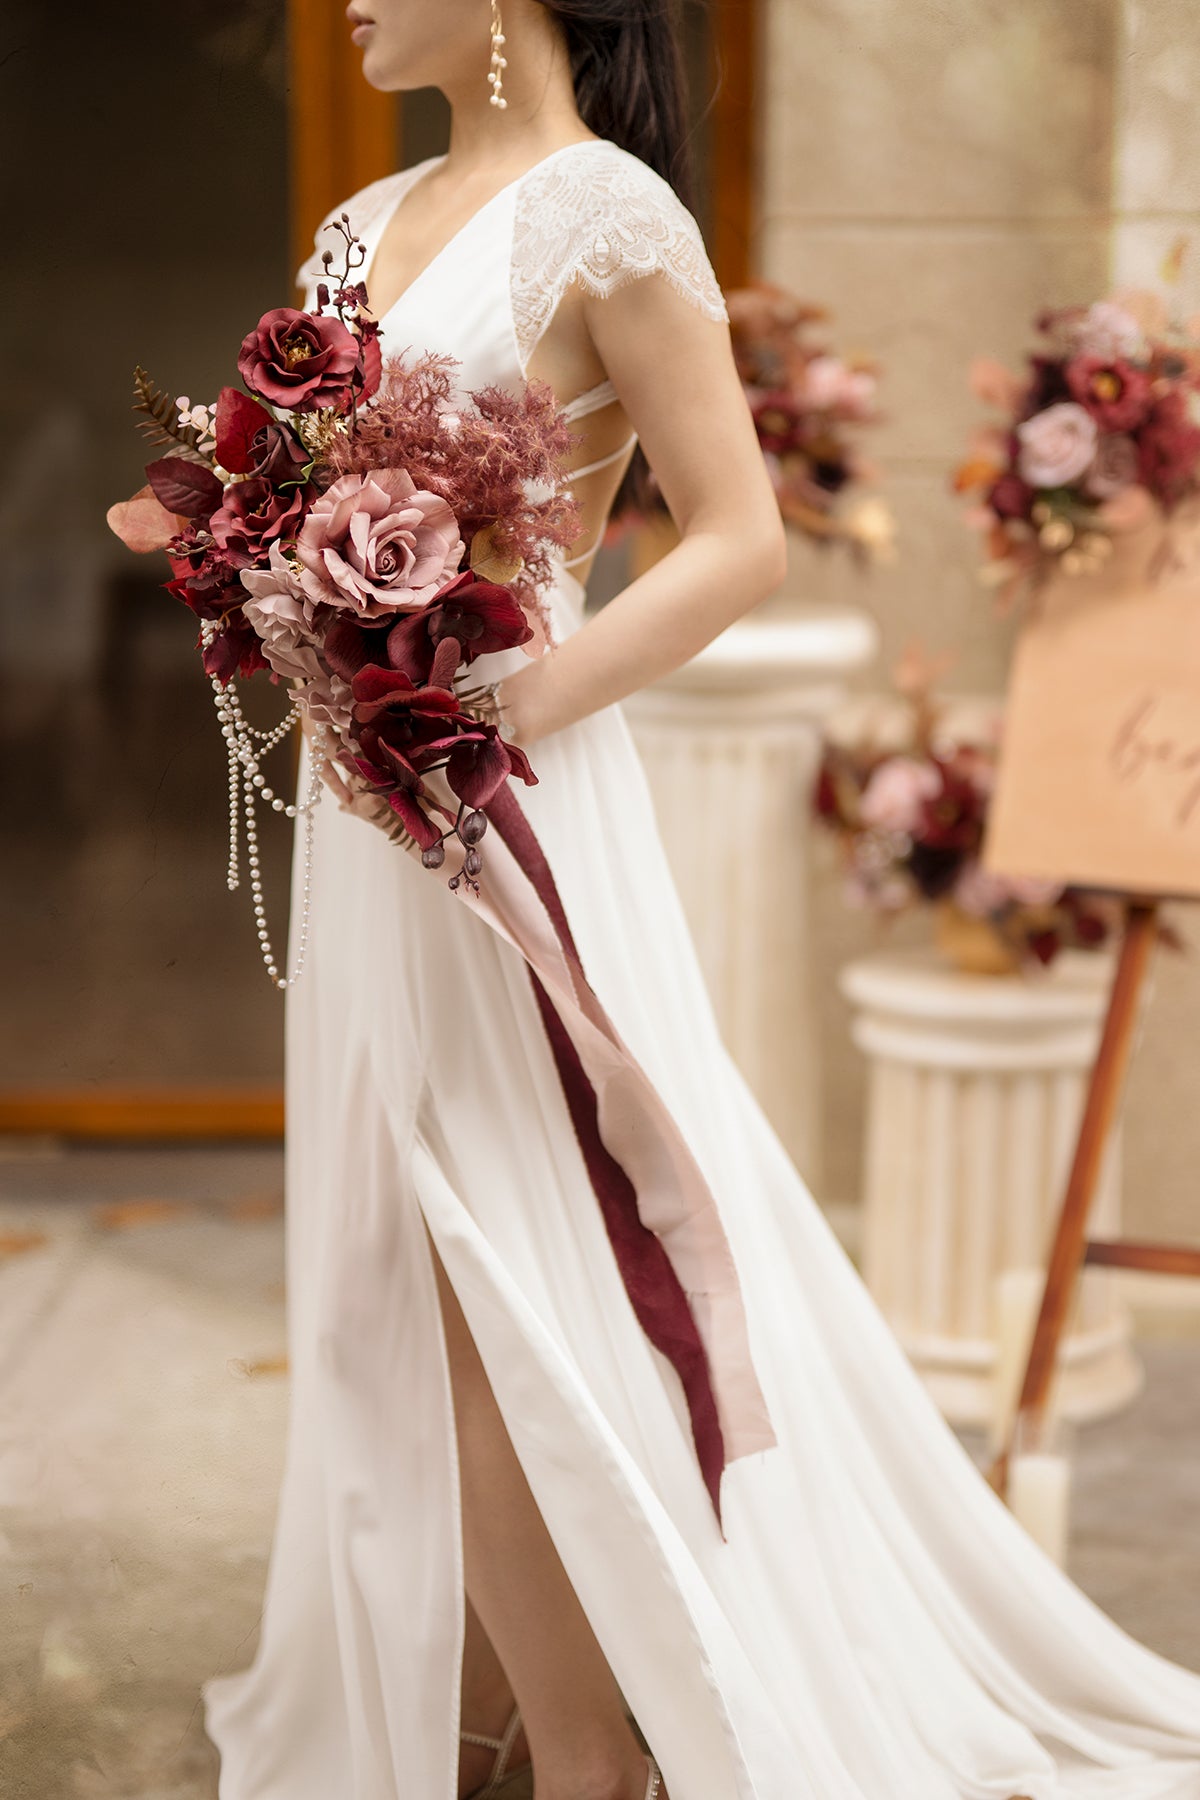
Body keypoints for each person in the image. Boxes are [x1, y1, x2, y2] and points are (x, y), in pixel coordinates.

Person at [202, 4, 1200, 1798]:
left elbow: (735, 533)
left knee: (503, 1248)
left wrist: (492, 710)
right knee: (390, 1260)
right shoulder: (355, 228)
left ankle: (603, 1758)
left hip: (511, 787)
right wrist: (281, 596)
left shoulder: (614, 218)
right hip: (376, 814)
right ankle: (494, 1706)